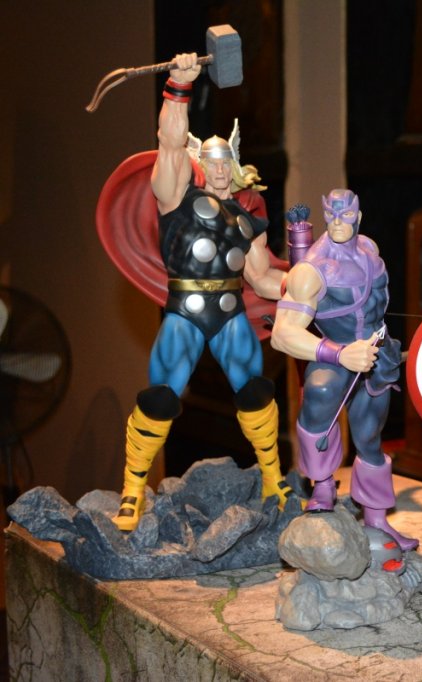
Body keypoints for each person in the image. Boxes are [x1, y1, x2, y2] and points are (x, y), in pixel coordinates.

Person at [113, 53, 292, 532]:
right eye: (209, 161)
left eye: (224, 160)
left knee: (255, 390)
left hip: (230, 314)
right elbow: (169, 141)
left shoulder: (247, 216)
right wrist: (178, 87)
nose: (218, 169)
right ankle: (132, 491)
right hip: (186, 312)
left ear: (235, 163)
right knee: (160, 396)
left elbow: (263, 279)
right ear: (198, 163)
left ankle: (273, 480)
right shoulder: (176, 196)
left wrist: (310, 285)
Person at [271, 190, 418, 551]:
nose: (338, 222)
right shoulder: (311, 269)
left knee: (370, 437)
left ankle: (377, 519)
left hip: (376, 353)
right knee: (319, 395)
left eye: (346, 215)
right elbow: (282, 334)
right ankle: (322, 486)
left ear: (358, 216)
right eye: (332, 215)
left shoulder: (369, 249)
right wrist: (339, 355)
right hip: (335, 355)